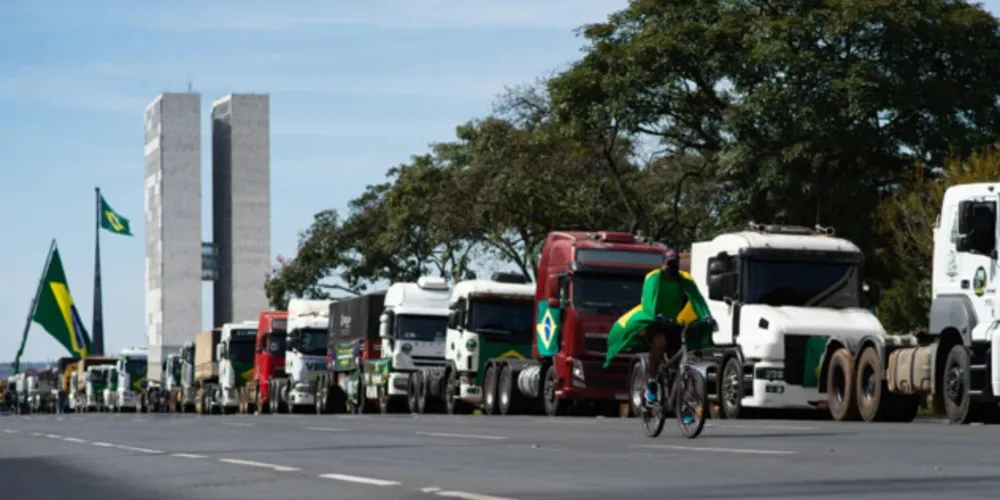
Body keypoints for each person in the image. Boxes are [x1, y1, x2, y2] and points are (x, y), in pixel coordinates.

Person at [604, 249, 715, 406]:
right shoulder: (654, 277)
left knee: (679, 358)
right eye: (669, 264)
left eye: (675, 265)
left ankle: (684, 406)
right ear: (662, 264)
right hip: (653, 321)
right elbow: (649, 301)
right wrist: (655, 315)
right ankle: (651, 383)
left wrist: (706, 316)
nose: (672, 268)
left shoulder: (684, 279)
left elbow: (697, 299)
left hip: (672, 322)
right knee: (660, 342)